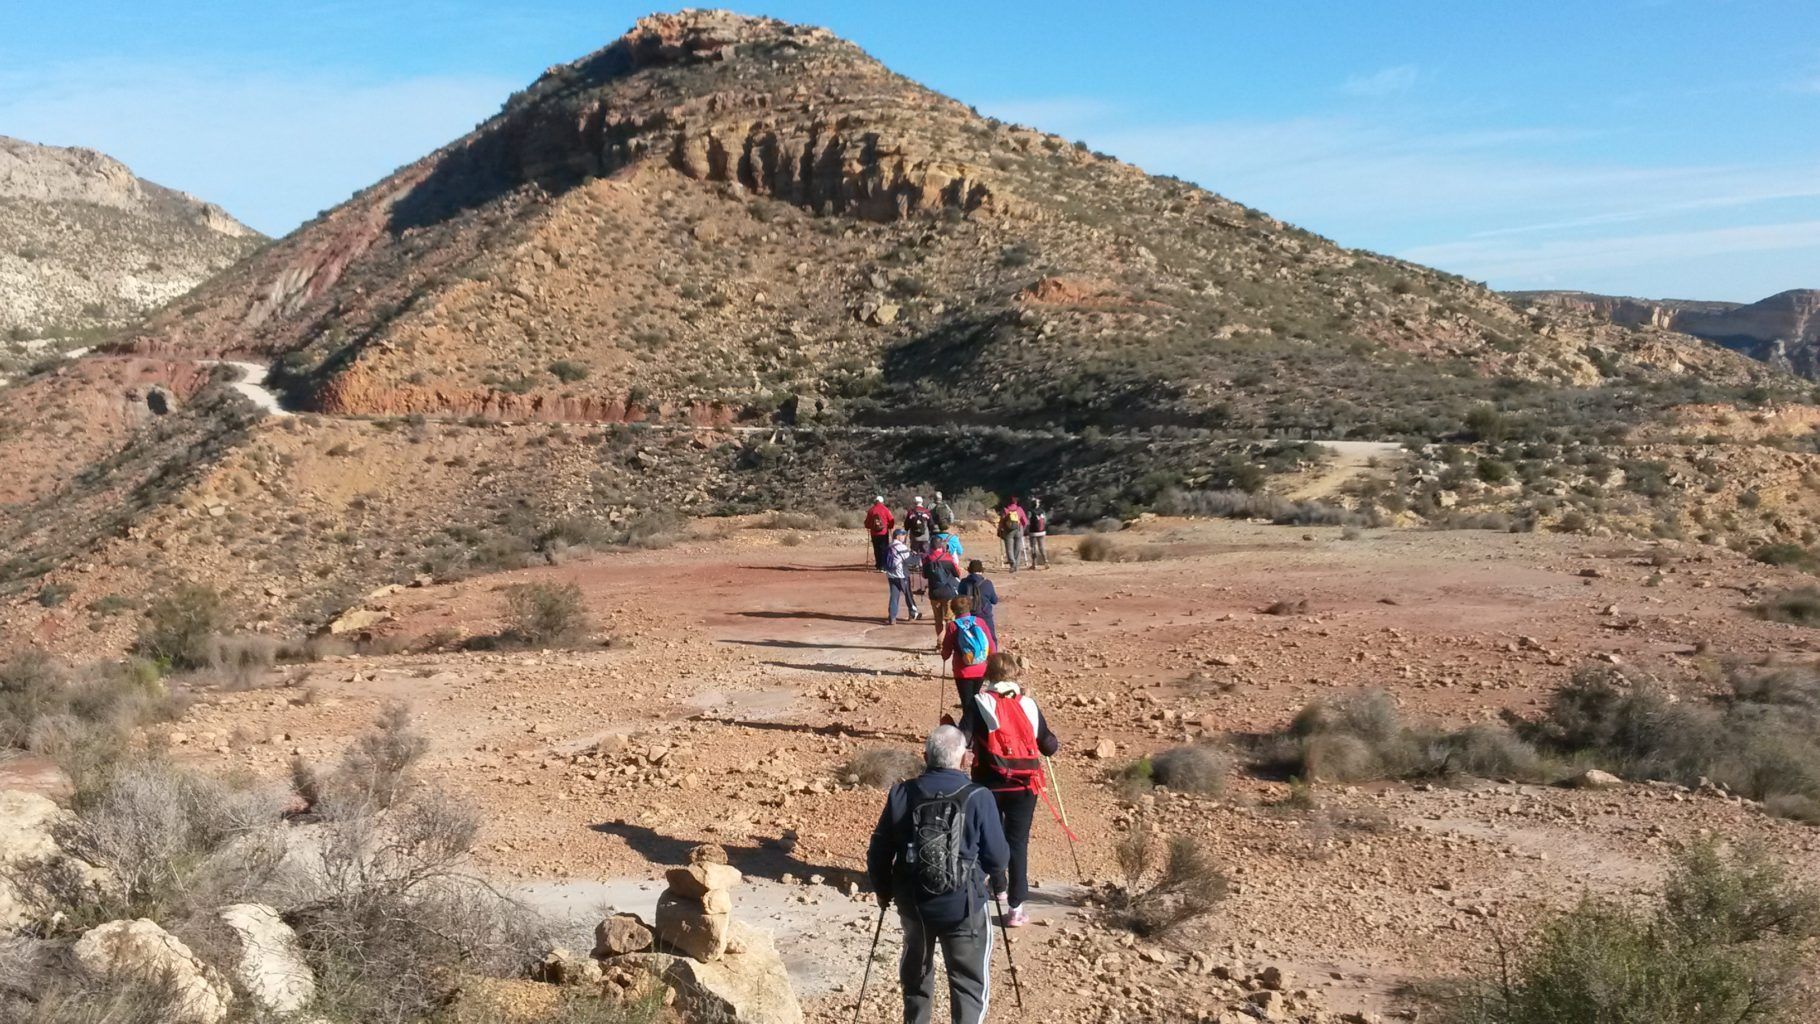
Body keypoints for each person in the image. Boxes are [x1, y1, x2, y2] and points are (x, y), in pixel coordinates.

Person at [866, 725, 1009, 1024]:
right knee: (968, 985)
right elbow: (997, 856)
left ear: (925, 756)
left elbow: (879, 851)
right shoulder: (979, 796)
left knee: (916, 981)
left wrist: (883, 891)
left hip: (914, 905)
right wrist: (996, 880)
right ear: (964, 759)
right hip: (963, 906)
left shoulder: (901, 793)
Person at [961, 653, 1060, 929]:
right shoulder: (1028, 704)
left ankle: (995, 888)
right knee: (1018, 842)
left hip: (987, 784)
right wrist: (1055, 743)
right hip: (1025, 785)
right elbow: (1048, 745)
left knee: (983, 838)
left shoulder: (979, 703)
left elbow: (963, 741)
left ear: (988, 675)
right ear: (1016, 674)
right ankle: (1015, 908)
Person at [940, 595, 997, 708]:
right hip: (981, 668)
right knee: (977, 700)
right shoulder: (980, 622)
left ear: (953, 609)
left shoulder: (953, 626)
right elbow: (991, 646)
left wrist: (944, 655)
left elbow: (946, 651)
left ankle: (970, 724)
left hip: (963, 670)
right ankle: (978, 723)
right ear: (969, 607)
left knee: (967, 704)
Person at [922, 539, 964, 647]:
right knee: (950, 619)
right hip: (948, 592)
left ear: (931, 548)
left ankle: (940, 642)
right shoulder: (948, 559)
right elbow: (957, 573)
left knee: (938, 619)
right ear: (942, 547)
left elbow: (924, 575)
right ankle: (950, 643)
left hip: (934, 593)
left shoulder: (927, 560)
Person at [885, 529, 920, 625]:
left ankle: (892, 617)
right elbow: (910, 561)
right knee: (908, 595)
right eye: (903, 535)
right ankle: (913, 614)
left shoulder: (890, 545)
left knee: (894, 596)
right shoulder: (901, 547)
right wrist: (918, 556)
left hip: (891, 575)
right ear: (898, 536)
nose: (904, 537)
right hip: (902, 576)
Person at [958, 559, 999, 638]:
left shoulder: (963, 582)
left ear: (969, 570)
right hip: (984, 615)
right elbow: (994, 600)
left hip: (968, 616)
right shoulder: (987, 583)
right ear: (981, 570)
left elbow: (959, 597)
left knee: (969, 638)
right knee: (990, 637)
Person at [997, 497, 1028, 573]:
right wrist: (1022, 528)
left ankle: (1012, 563)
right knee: (1017, 548)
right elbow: (1025, 521)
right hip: (1018, 529)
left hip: (1008, 531)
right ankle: (1016, 566)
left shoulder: (1005, 510)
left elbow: (1001, 522)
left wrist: (999, 530)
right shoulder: (1019, 509)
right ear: (1016, 502)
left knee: (1009, 549)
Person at [865, 495, 895, 571]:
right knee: (884, 549)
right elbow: (891, 520)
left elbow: (867, 523)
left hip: (874, 533)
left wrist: (870, 527)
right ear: (882, 502)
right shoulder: (885, 509)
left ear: (876, 501)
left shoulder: (871, 510)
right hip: (884, 533)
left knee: (876, 549)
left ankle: (878, 565)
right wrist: (890, 527)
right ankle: (884, 566)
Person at [1026, 498, 1049, 570]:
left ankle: (1034, 564)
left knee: (1033, 547)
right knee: (1042, 547)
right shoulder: (1042, 511)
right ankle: (1046, 562)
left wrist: (1026, 530)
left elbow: (1028, 521)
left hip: (1033, 532)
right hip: (1042, 531)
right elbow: (1045, 520)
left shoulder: (1030, 511)